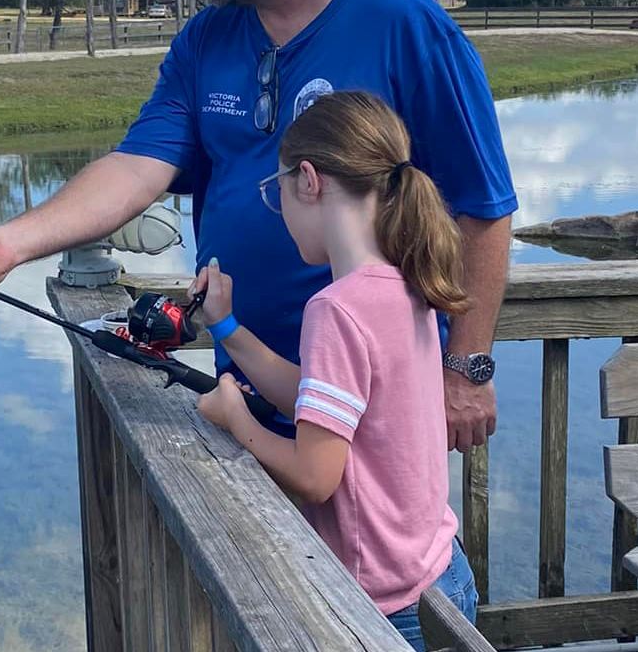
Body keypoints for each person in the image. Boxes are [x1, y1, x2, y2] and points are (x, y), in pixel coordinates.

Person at [0, 0, 516, 450]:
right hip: (253, 396)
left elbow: (482, 209)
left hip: (376, 407)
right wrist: (13, 241)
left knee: (388, 550)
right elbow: (136, 167)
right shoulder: (206, 38)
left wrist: (466, 369)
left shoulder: (408, 26)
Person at [193, 89, 477, 646]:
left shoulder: (337, 308)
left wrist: (235, 420)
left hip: (386, 611)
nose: (282, 216)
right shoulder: (404, 281)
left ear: (308, 180)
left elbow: (316, 476)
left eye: (278, 194)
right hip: (446, 579)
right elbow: (324, 397)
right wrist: (227, 328)